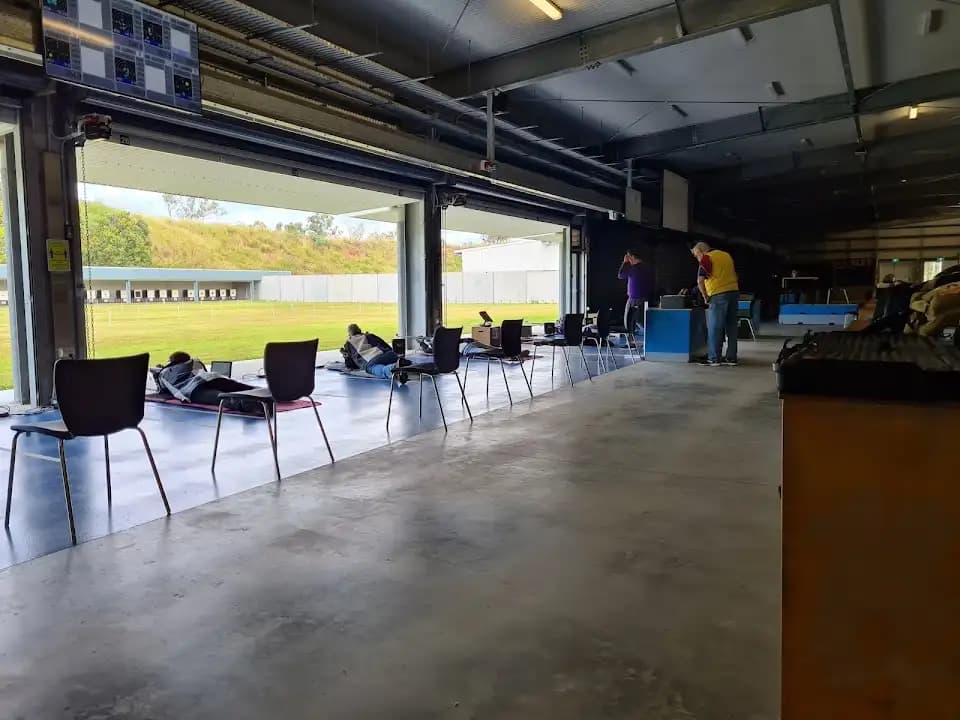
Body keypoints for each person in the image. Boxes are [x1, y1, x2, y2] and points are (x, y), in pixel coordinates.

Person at [153, 351, 263, 411]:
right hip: (208, 378)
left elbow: (162, 390)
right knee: (241, 387)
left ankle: (252, 405)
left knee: (222, 398)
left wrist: (160, 370)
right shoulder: (192, 364)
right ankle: (267, 393)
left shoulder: (164, 373)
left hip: (193, 390)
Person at [692, 241, 740, 367]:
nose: (698, 259)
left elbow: (700, 280)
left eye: (697, 255)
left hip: (718, 294)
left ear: (701, 251)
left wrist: (705, 296)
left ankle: (714, 358)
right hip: (734, 292)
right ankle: (731, 358)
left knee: (715, 327)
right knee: (731, 326)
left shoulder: (707, 258)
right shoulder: (726, 255)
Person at [343, 324, 408, 380]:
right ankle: (407, 364)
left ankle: (392, 370)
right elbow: (385, 345)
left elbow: (350, 365)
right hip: (387, 354)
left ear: (349, 334)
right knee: (395, 359)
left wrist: (345, 355)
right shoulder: (369, 335)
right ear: (359, 330)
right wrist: (394, 355)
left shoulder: (348, 343)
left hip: (371, 360)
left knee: (373, 368)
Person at [618, 249, 654, 332]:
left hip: (634, 299)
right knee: (640, 321)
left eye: (629, 257)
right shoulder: (646, 267)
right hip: (643, 298)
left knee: (629, 322)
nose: (628, 259)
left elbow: (620, 275)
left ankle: (630, 341)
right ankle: (642, 339)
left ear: (633, 257)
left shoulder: (634, 268)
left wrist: (624, 262)